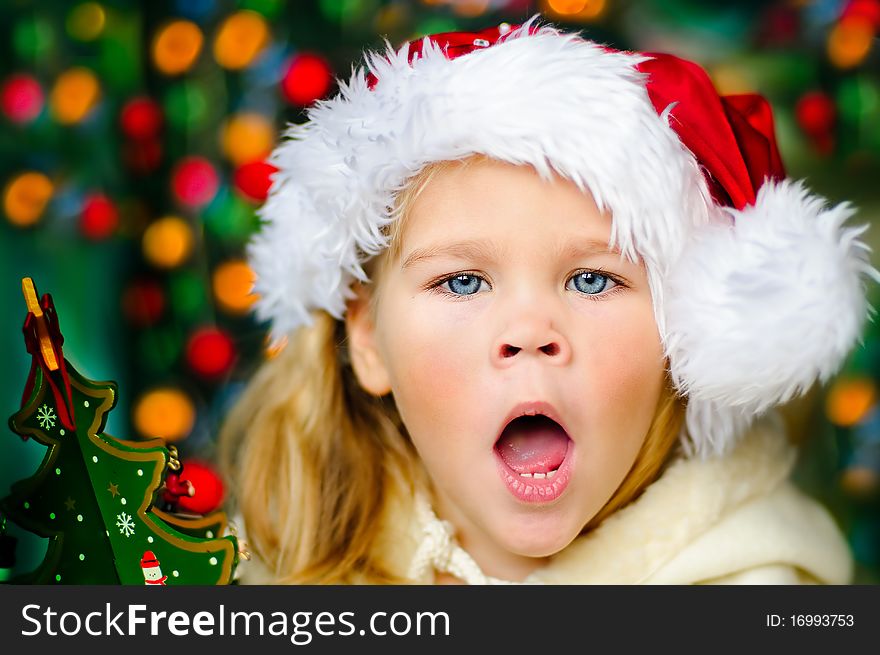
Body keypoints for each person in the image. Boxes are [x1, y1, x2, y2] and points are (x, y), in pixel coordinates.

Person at [218, 16, 876, 584]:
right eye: (463, 281)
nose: (530, 330)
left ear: (681, 338)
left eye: (592, 279)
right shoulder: (287, 565)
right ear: (367, 339)